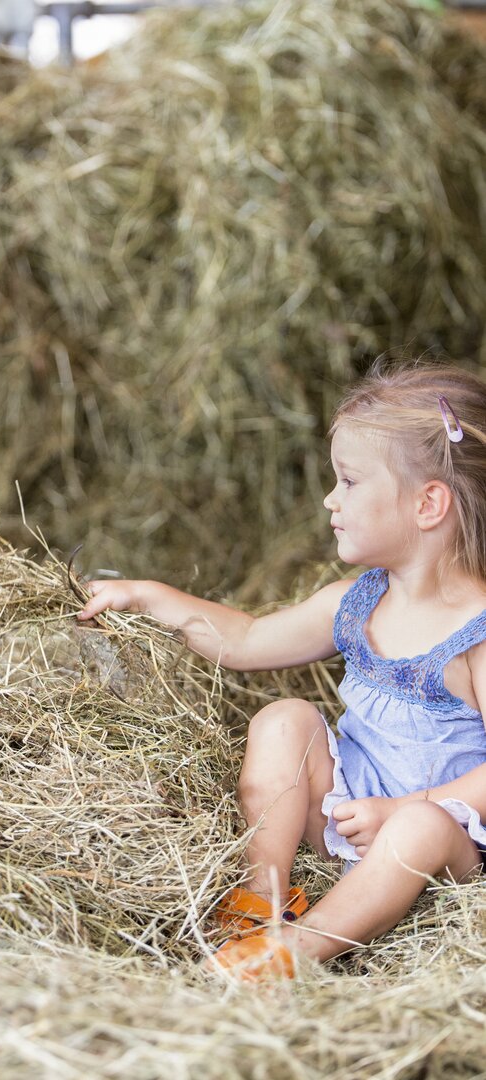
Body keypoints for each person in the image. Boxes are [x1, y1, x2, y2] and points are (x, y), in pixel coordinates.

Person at [77, 361, 486, 979]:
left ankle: (298, 951)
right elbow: (244, 638)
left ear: (429, 504)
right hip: (349, 812)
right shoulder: (355, 601)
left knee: (419, 830)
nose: (330, 499)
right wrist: (149, 596)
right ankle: (259, 898)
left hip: (444, 844)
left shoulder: (476, 636)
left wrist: (405, 808)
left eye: (348, 481)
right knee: (284, 720)